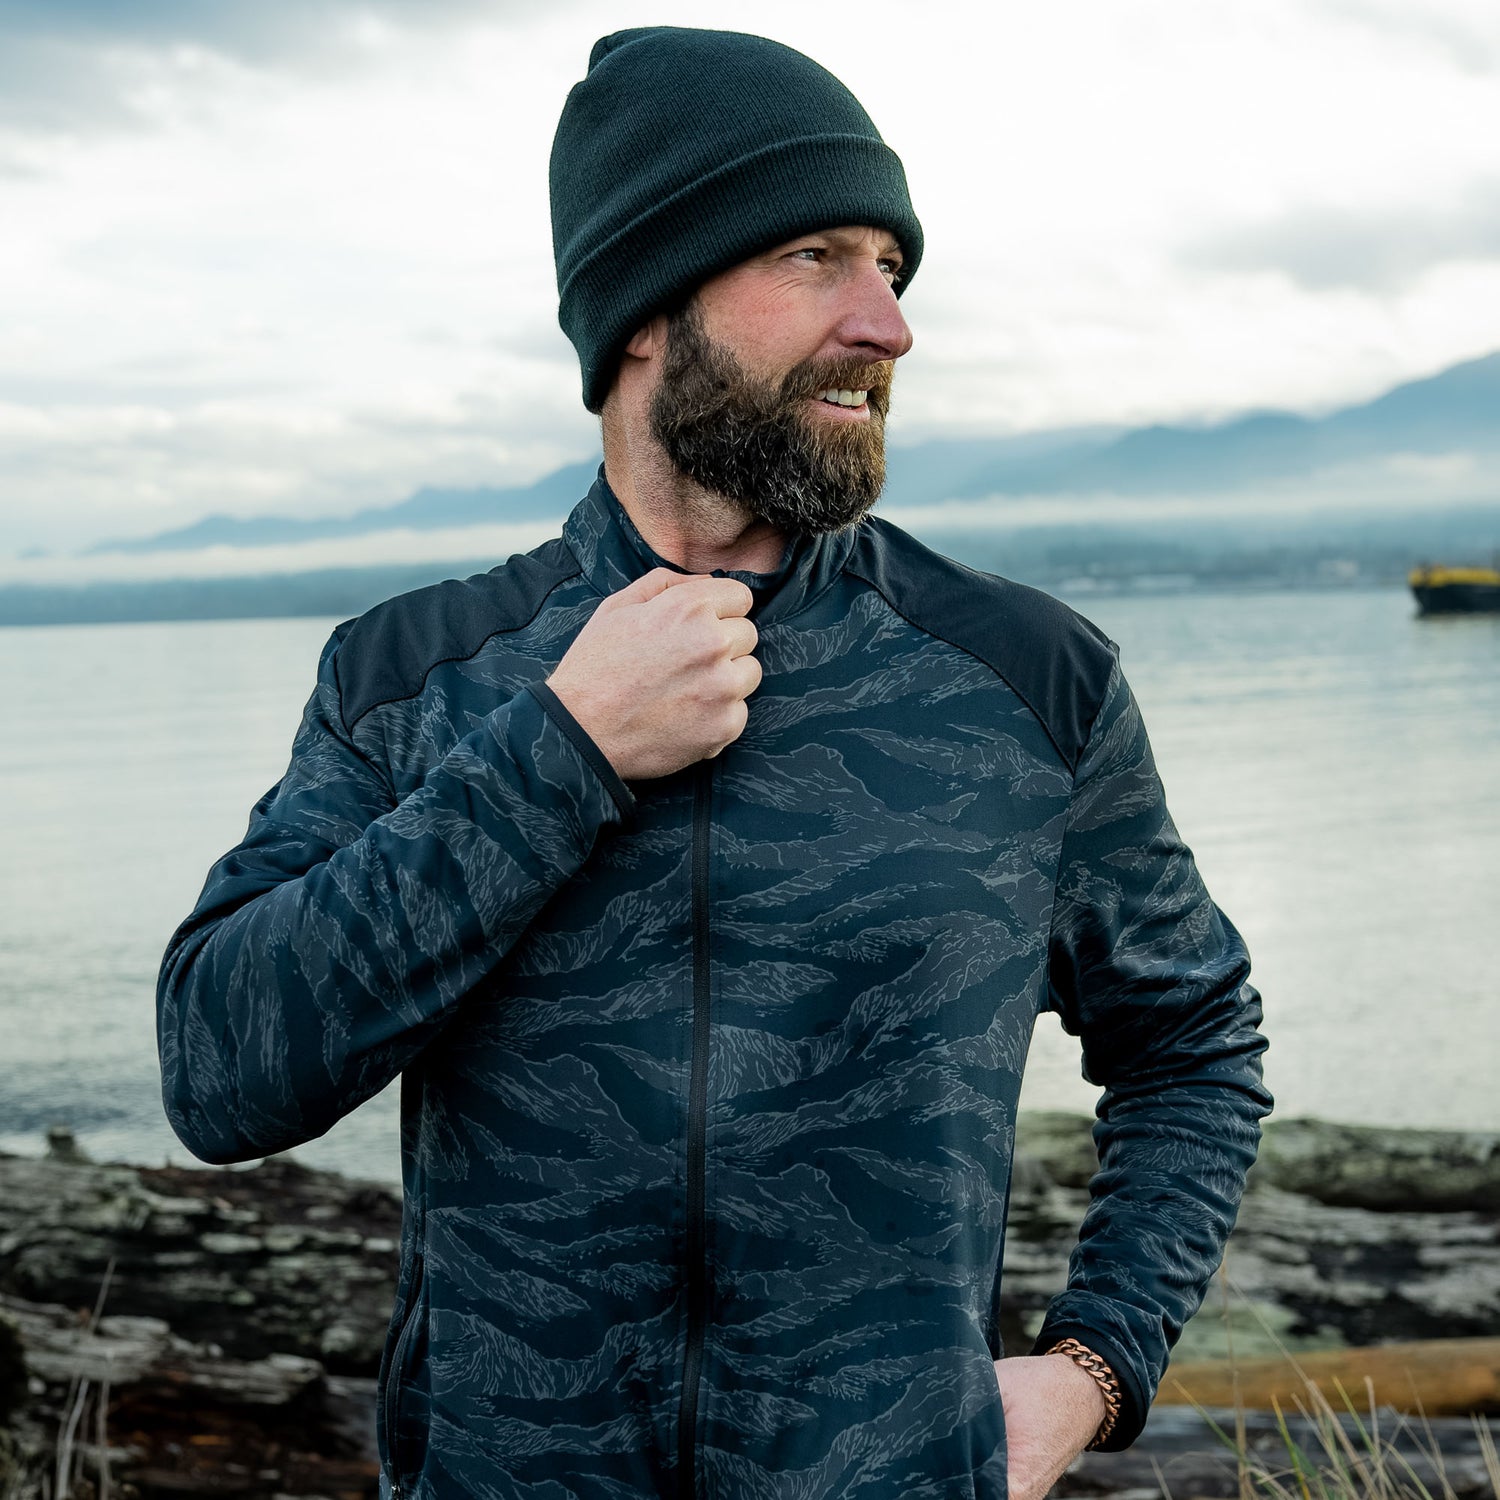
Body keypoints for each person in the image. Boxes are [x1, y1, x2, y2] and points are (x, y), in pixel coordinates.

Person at [157, 26, 1271, 1500]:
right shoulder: (418, 677)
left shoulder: (1023, 684)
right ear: (642, 310)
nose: (888, 326)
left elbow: (1194, 1045)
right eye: (819, 256)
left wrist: (1094, 1371)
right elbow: (223, 1073)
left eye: (893, 265)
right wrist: (560, 752)